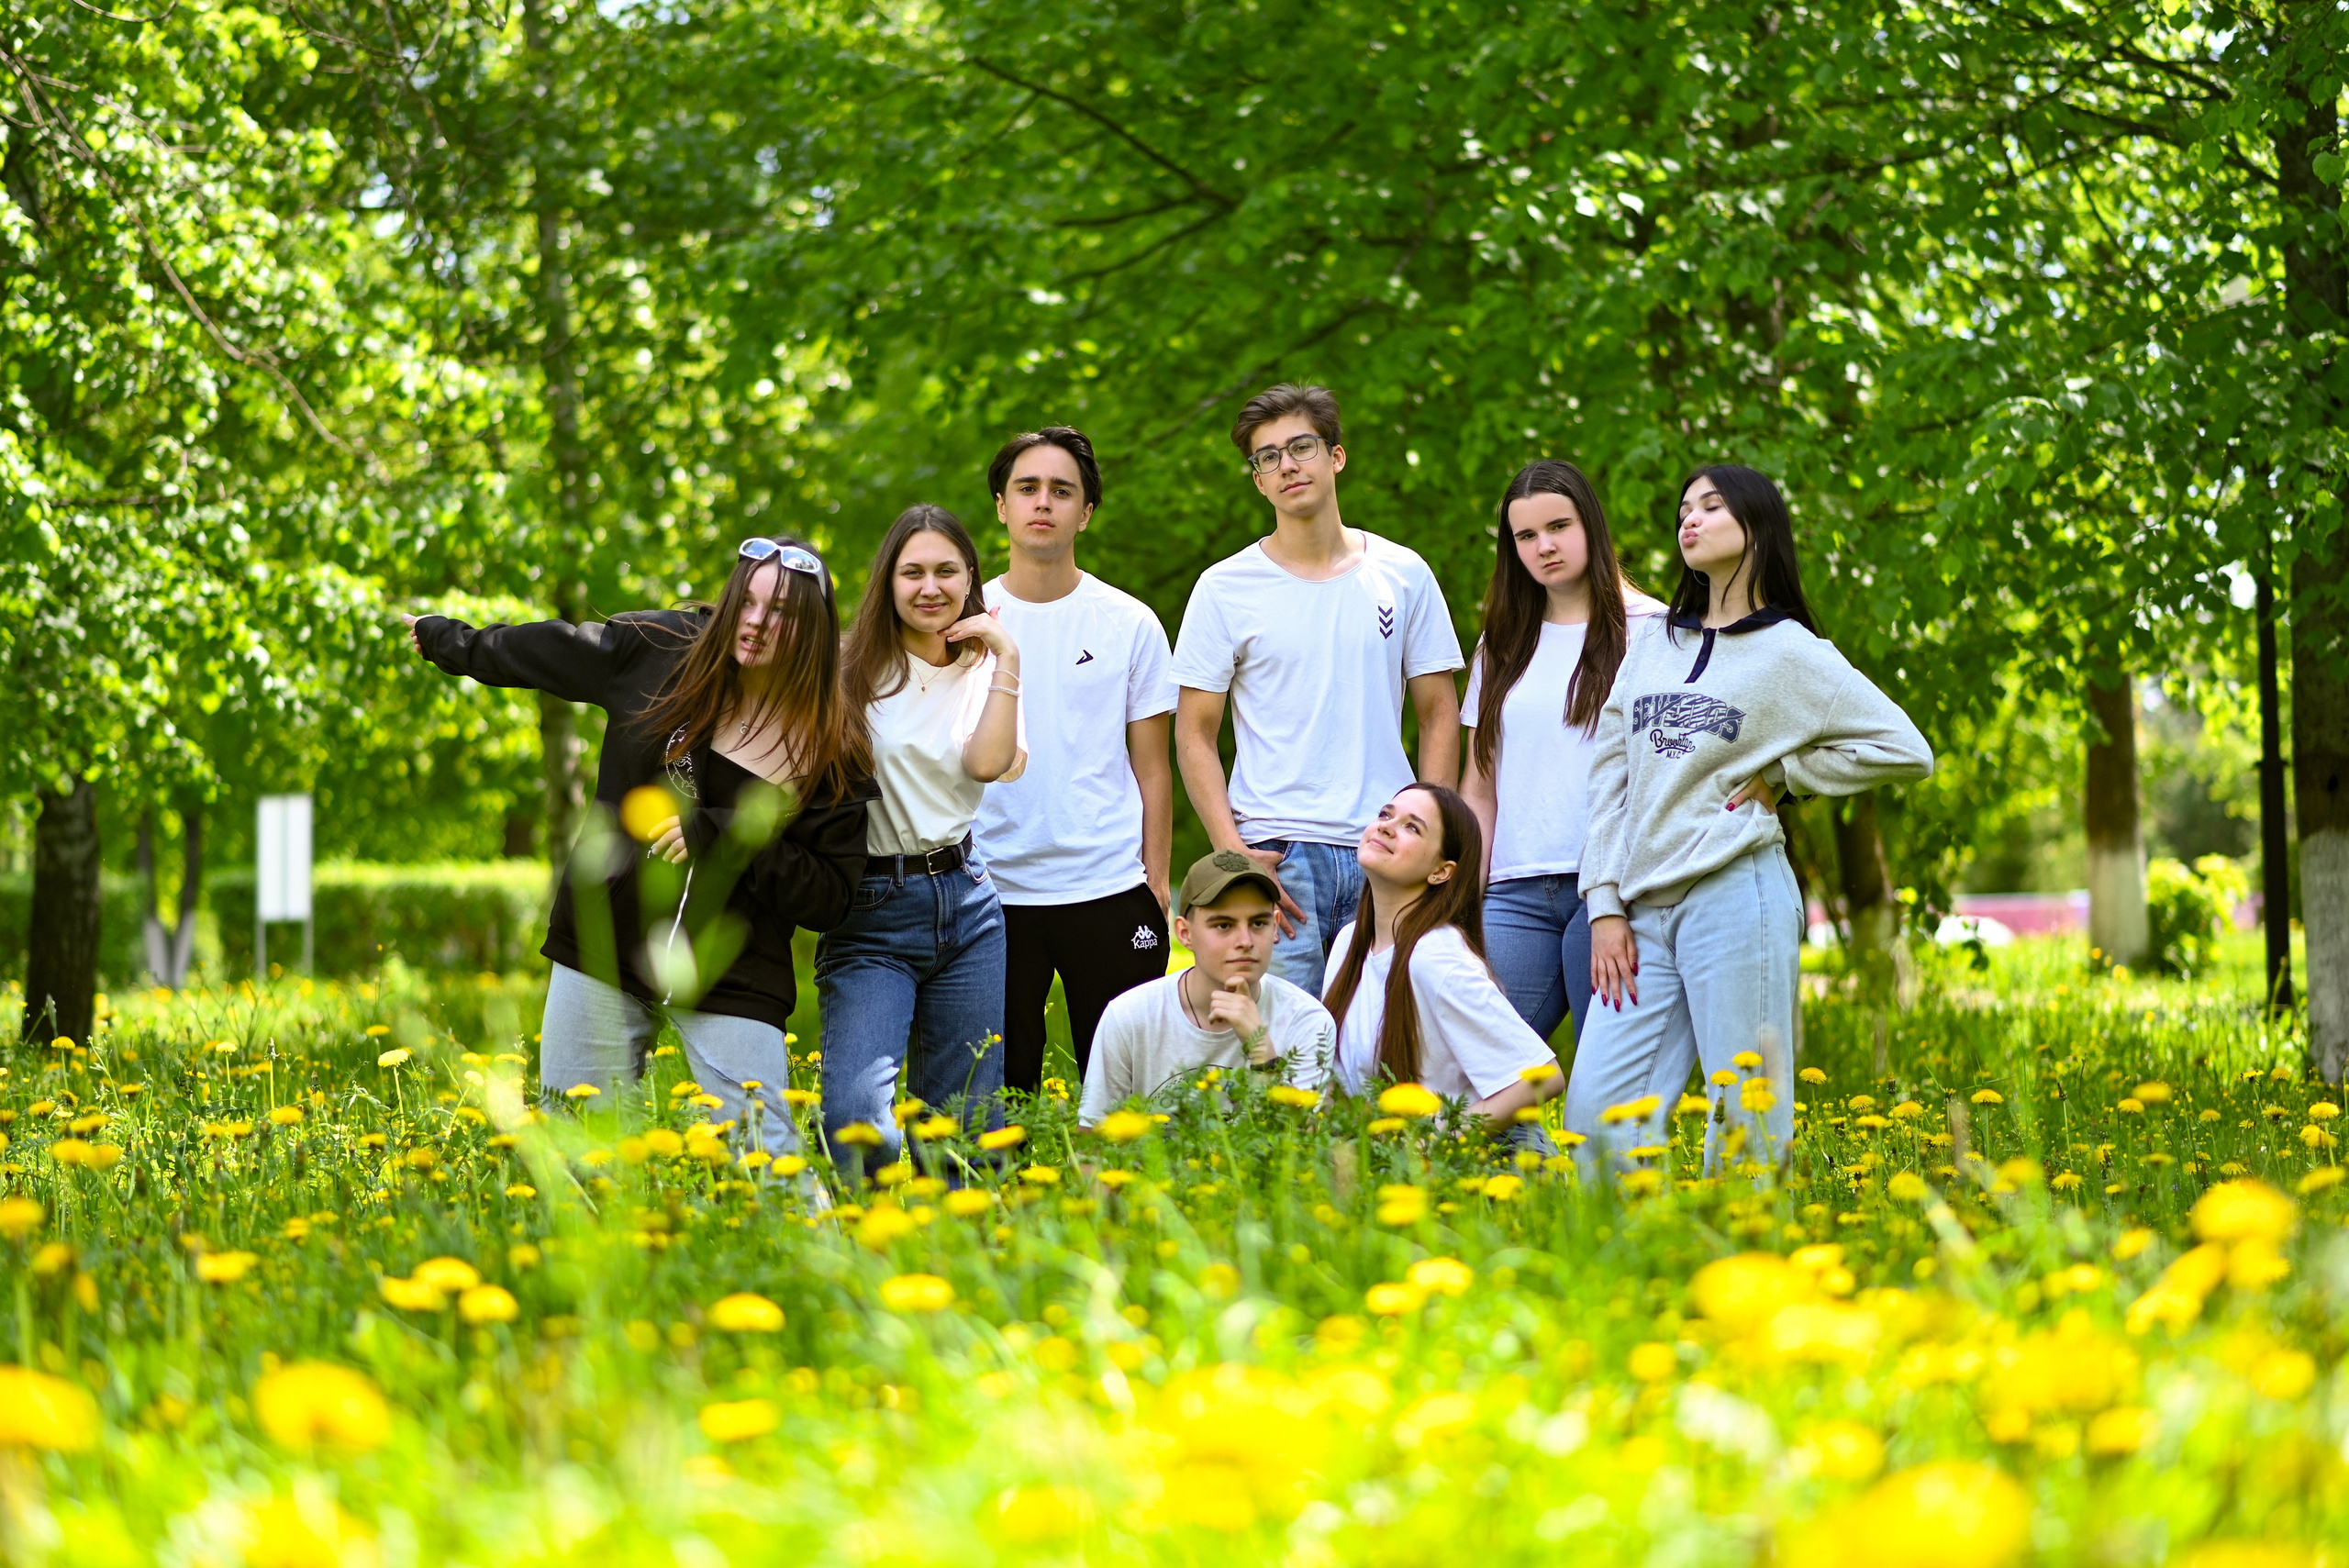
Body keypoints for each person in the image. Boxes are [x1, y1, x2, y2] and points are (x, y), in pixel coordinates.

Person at [403, 538, 873, 1171]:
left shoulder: (830, 740)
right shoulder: (660, 651)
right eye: (748, 602)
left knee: (768, 1162)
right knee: (575, 1155)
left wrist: (726, 837)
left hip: (733, 975)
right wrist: (449, 641)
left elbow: (829, 898)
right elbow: (547, 649)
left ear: (813, 629)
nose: (757, 623)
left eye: (782, 613)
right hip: (604, 948)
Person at [1570, 464, 1934, 1173]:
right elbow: (1610, 780)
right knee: (1598, 1113)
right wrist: (1604, 902)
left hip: (1736, 895)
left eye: (1711, 506)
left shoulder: (1792, 652)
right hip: (1641, 910)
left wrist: (1787, 776)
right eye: (1684, 509)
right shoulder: (1653, 643)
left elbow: (1904, 749)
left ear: (1757, 525)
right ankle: (1624, 1242)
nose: (1690, 519)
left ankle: (1744, 1239)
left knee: (1746, 1109)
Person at [1173, 383, 1464, 995]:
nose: (1287, 465)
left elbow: (1439, 713)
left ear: (1336, 456)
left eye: (1301, 447)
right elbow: (1194, 734)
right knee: (1279, 1045)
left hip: (1384, 848)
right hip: (1276, 857)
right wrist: (1233, 852)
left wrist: (1429, 838)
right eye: (1268, 456)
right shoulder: (1224, 587)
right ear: (1258, 480)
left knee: (1384, 1040)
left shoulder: (1403, 573)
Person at [971, 427, 1178, 1094]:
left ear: (1085, 512)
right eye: (1027, 488)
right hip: (989, 890)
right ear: (1001, 505)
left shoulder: (1130, 621)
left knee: (1123, 1100)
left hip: (1108, 886)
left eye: (1062, 491)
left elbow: (1153, 767)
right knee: (999, 1099)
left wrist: (1157, 879)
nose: (1043, 502)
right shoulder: (966, 622)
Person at [820, 504, 1026, 1174]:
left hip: (967, 904)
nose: (930, 587)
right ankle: (868, 1232)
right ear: (888, 580)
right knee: (858, 1121)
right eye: (913, 572)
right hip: (872, 907)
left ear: (971, 579)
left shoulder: (987, 670)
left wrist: (1007, 655)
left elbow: (986, 764)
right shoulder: (847, 667)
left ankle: (959, 1236)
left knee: (965, 1129)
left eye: (946, 571)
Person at [1461, 461, 1664, 1049]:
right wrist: (1463, 902)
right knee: (1478, 1064)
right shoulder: (1501, 644)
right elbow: (1479, 787)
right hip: (1512, 892)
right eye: (1525, 535)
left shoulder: (1655, 630)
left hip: (1614, 888)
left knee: (1609, 1075)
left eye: (1558, 526)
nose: (1544, 546)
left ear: (1590, 525)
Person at [1323, 784, 1564, 1138]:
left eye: (1412, 827)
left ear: (1442, 871)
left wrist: (1439, 1143)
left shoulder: (1435, 957)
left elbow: (1543, 1077)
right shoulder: (1350, 942)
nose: (1386, 826)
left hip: (1489, 1159)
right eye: (1386, 814)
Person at [1077, 851, 1336, 1127]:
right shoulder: (1129, 1016)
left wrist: (1262, 1052)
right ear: (1185, 933)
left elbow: (1305, 1143)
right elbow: (1093, 1141)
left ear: (1275, 927)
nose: (1245, 941)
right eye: (1223, 925)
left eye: (1258, 923)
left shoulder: (1307, 1020)